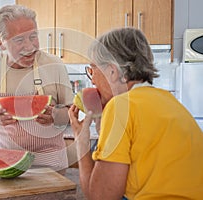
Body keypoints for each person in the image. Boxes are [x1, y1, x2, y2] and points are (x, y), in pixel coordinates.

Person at [68, 27, 203, 199]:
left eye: (93, 70)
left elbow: (101, 196)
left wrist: (81, 141)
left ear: (112, 71)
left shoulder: (120, 106)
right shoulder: (169, 102)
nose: (92, 79)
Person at [0, 4, 74, 172]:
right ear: (1, 43)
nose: (30, 46)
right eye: (19, 40)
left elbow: (71, 113)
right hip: (5, 163)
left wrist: (56, 115)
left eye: (33, 36)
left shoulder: (54, 65)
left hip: (51, 163)